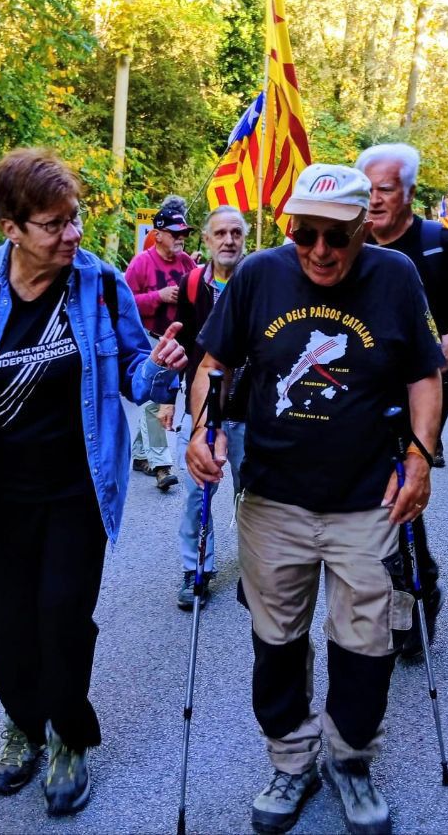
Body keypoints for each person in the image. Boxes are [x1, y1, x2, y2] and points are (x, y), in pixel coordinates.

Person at [0, 148, 187, 817]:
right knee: (7, 626)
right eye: (54, 224)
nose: (72, 235)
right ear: (12, 228)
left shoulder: (100, 284)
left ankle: (69, 736)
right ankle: (24, 726)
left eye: (75, 219)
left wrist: (160, 369)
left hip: (74, 491)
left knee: (61, 619)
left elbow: (133, 371)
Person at [186, 163, 443, 835]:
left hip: (368, 498)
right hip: (272, 497)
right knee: (276, 639)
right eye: (305, 233)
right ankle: (292, 759)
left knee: (366, 641)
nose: (320, 250)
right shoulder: (259, 275)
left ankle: (351, 760)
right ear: (288, 226)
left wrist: (420, 457)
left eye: (337, 236)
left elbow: (423, 374)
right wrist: (200, 431)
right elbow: (213, 365)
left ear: (364, 226)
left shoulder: (395, 277)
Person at [357, 142, 448, 662]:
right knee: (369, 499)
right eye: (368, 189)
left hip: (423, 391)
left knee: (393, 496)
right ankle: (395, 585)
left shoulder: (439, 244)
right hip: (359, 392)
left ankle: (415, 594)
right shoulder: (351, 240)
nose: (374, 200)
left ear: (409, 192)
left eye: (386, 190)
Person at [169, 204, 250, 609]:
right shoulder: (192, 284)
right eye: (220, 233)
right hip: (202, 410)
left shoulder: (259, 282)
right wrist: (171, 400)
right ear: (206, 240)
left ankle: (257, 567)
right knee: (196, 492)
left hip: (249, 411)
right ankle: (196, 567)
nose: (228, 240)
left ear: (244, 238)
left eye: (236, 232)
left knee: (250, 495)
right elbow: (182, 348)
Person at [124, 202, 198, 490]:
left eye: (184, 233)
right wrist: (159, 295)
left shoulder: (187, 264)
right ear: (158, 235)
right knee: (156, 399)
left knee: (158, 398)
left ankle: (141, 454)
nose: (181, 237)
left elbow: (198, 295)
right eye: (175, 233)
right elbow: (126, 303)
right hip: (150, 340)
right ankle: (162, 464)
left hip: (178, 341)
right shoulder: (141, 262)